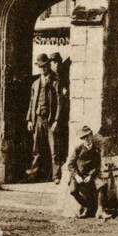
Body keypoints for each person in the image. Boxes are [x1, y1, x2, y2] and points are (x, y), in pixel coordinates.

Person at [26, 54, 61, 182]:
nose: (43, 69)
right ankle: (33, 174)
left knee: (54, 150)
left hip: (50, 120)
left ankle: (56, 176)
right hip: (38, 119)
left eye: (45, 66)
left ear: (48, 66)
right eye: (40, 67)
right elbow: (31, 102)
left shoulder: (55, 82)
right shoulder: (35, 84)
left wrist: (56, 120)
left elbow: (59, 102)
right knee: (36, 149)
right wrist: (29, 119)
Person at [66, 125, 111, 219]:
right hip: (78, 174)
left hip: (90, 175)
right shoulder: (78, 148)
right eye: (84, 137)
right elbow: (70, 164)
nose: (87, 139)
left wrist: (90, 175)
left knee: (101, 184)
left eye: (88, 136)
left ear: (91, 135)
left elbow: (97, 165)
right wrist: (77, 176)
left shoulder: (96, 149)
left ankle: (100, 210)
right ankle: (87, 206)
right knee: (73, 191)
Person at [49, 53, 69, 183]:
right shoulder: (50, 78)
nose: (55, 65)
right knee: (54, 146)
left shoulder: (64, 78)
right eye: (53, 62)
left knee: (60, 145)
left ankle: (59, 174)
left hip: (63, 117)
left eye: (57, 62)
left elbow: (63, 99)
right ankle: (56, 174)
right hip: (53, 116)